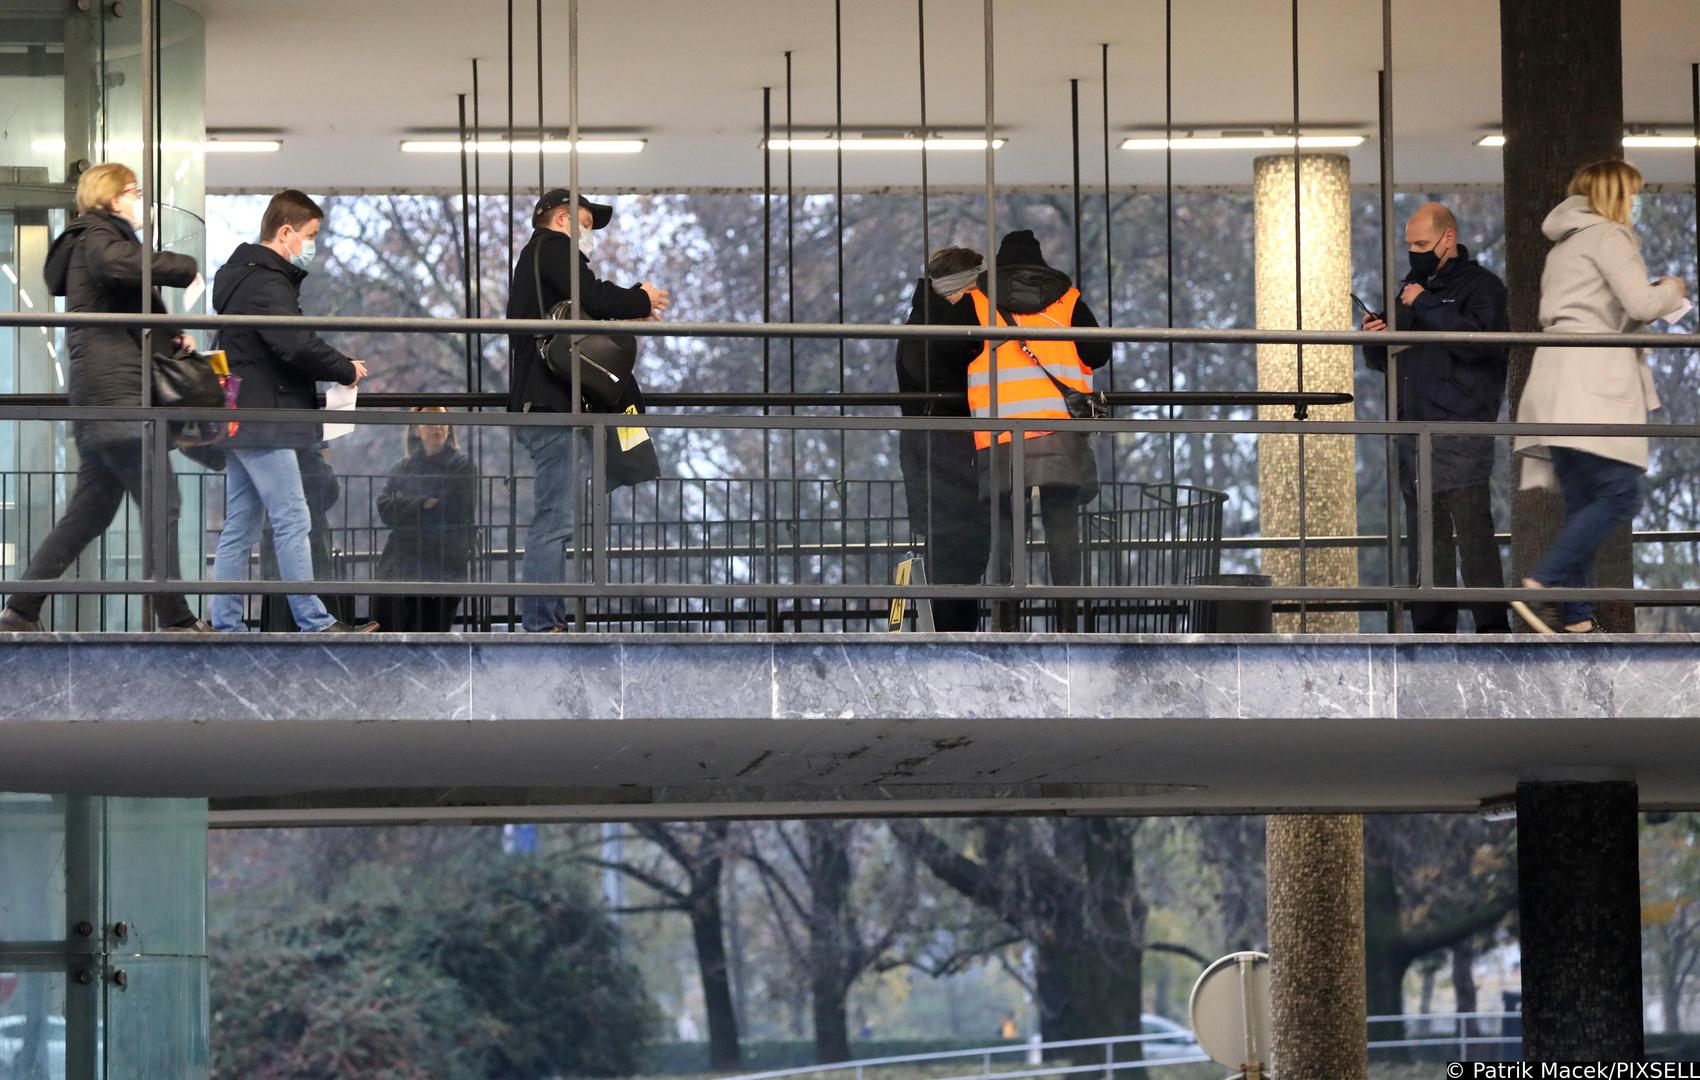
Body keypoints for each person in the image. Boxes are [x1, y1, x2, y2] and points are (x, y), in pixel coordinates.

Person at [1, 162, 210, 633]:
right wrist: (183, 266)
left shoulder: (89, 238)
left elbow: (118, 300)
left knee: (89, 514)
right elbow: (115, 265)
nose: (141, 201)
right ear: (114, 198)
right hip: (119, 402)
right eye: (135, 192)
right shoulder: (97, 234)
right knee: (165, 503)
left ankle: (19, 610)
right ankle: (175, 618)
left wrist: (171, 333)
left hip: (102, 402)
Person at [1511, 159, 1688, 635]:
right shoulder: (1608, 237)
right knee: (1618, 494)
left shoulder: (1565, 245)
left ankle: (1577, 617)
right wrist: (1672, 289)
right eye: (1630, 195)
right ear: (1615, 195)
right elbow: (1641, 305)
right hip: (1592, 381)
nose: (1633, 205)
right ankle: (1544, 583)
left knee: (1584, 499)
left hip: (1555, 382)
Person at [208, 189, 377, 633]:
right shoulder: (265, 282)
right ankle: (315, 621)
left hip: (242, 413)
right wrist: (343, 369)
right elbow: (294, 342)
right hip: (266, 417)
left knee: (241, 525)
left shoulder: (238, 278)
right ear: (285, 233)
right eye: (310, 235)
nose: (313, 245)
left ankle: (225, 626)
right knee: (293, 518)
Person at [506, 189, 668, 633]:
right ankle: (541, 621)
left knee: (557, 516)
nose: (589, 232)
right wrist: (641, 298)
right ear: (561, 219)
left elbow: (579, 312)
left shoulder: (536, 260)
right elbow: (592, 296)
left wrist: (622, 314)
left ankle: (547, 616)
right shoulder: (553, 247)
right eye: (585, 222)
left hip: (541, 406)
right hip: (551, 408)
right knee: (554, 519)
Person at [1363, 202, 1512, 634]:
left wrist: (1424, 303)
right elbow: (1389, 360)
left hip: (1460, 428)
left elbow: (1481, 344)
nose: (1414, 252)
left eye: (1422, 243)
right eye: (1409, 244)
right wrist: (1375, 338)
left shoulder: (1482, 287)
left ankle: (1492, 630)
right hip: (1414, 429)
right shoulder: (1412, 288)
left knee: (1472, 531)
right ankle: (1429, 631)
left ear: (1449, 238)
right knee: (1424, 540)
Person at [966, 229, 1110, 633]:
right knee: (1063, 526)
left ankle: (1007, 621)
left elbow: (947, 357)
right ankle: (1067, 619)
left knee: (1008, 532)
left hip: (999, 433)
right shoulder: (1068, 302)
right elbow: (1099, 353)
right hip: (1058, 432)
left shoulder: (976, 303)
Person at [895, 246, 992, 632]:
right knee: (953, 555)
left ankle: (956, 635)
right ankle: (953, 638)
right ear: (962, 289)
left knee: (963, 556)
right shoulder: (933, 330)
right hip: (942, 455)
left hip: (941, 453)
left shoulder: (927, 325)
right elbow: (946, 382)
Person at [371, 408, 479, 633]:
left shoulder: (461, 466)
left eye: (442, 420)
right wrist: (422, 504)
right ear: (416, 430)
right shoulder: (401, 468)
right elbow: (384, 508)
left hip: (442, 564)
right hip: (400, 564)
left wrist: (404, 504)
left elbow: (452, 508)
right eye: (429, 421)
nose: (437, 425)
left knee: (430, 637)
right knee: (388, 629)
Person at [258, 444, 352, 630]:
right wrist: (319, 454)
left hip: (275, 532)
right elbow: (329, 487)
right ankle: (320, 626)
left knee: (281, 606)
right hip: (309, 535)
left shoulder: (270, 449)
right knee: (312, 586)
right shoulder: (305, 447)